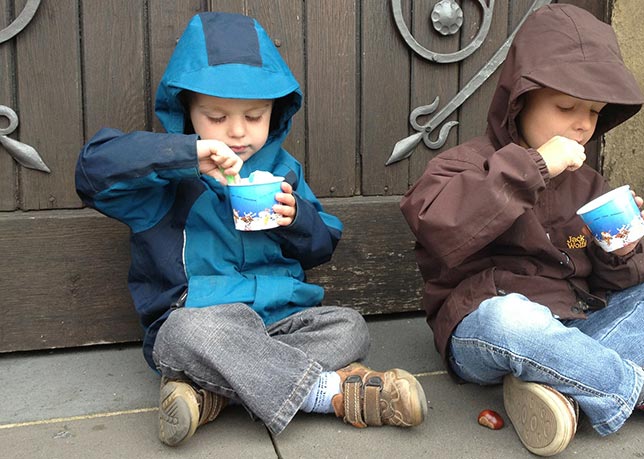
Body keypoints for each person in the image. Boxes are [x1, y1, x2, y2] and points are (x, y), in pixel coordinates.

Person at [399, 4, 644, 457]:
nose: (582, 124)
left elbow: (617, 288)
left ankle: (561, 385)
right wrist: (534, 166)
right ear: (520, 100)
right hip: (486, 329)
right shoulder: (461, 165)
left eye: (595, 111)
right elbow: (438, 229)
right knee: (513, 317)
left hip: (575, 322)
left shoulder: (588, 184)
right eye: (565, 107)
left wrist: (621, 250)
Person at [75, 12, 426, 447]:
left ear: (275, 113)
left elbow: (321, 247)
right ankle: (330, 393)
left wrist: (295, 218)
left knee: (350, 326)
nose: (238, 132)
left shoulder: (283, 173)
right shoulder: (164, 182)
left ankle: (213, 394)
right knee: (186, 335)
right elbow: (91, 172)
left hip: (281, 320)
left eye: (254, 116)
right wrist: (184, 155)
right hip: (204, 322)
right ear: (186, 110)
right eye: (217, 117)